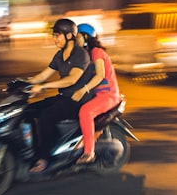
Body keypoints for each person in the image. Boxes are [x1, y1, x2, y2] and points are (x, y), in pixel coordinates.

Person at [24, 18, 93, 173]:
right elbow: (43, 75)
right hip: (63, 97)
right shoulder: (59, 55)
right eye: (53, 35)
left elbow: (71, 79)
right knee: (27, 111)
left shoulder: (80, 55)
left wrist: (43, 86)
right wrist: (23, 84)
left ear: (69, 36)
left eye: (57, 35)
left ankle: (45, 159)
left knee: (46, 117)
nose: (54, 39)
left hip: (77, 100)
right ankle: (34, 150)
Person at [70, 22, 120, 164]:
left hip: (108, 96)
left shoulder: (97, 52)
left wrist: (83, 89)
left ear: (86, 37)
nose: (76, 40)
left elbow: (99, 75)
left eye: (78, 36)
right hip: (97, 95)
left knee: (86, 111)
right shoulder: (85, 55)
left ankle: (89, 152)